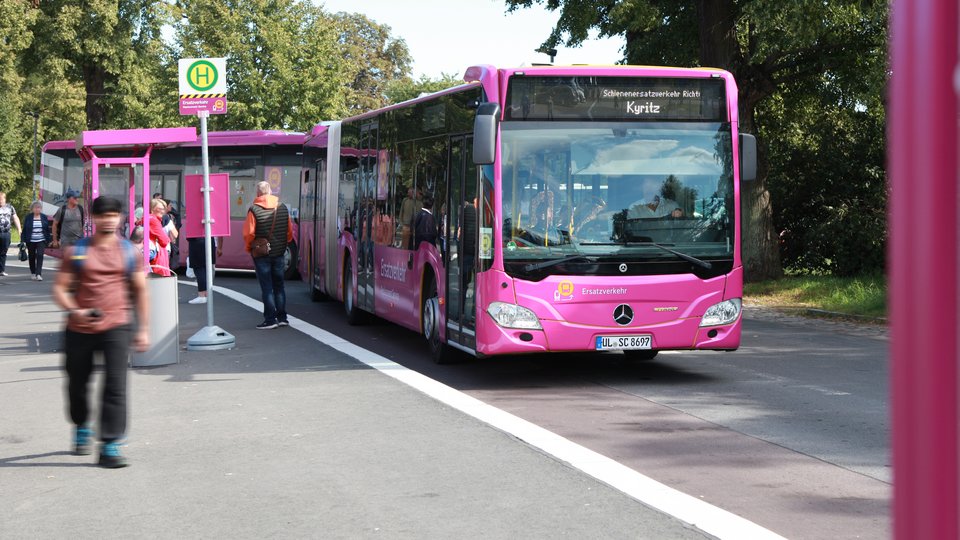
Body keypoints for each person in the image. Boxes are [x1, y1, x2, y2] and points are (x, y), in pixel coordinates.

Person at [51, 196, 149, 468]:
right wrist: (76, 310)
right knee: (77, 384)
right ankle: (82, 425)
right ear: (93, 218)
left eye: (113, 214)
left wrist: (143, 329)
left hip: (117, 326)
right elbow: (60, 288)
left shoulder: (131, 252)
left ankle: (110, 445)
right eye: (103, 215)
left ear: (120, 218)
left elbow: (140, 291)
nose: (108, 219)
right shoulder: (78, 251)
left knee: (115, 386)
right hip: (79, 327)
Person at [243, 181, 293, 329]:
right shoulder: (282, 208)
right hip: (279, 253)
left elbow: (249, 234)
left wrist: (249, 248)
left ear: (258, 193)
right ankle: (283, 317)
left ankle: (270, 320)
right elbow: (289, 232)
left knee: (267, 287)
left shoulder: (254, 210)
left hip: (261, 254)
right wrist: (283, 244)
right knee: (279, 286)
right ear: (270, 191)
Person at [186, 235, 222, 304]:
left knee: (198, 268)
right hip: (209, 240)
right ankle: (207, 294)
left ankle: (202, 295)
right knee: (206, 268)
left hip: (197, 240)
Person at [23, 201, 52, 281]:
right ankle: (33, 272)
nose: (37, 209)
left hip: (41, 240)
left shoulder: (44, 217)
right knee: (32, 256)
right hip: (31, 240)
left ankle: (38, 274)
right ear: (32, 209)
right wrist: (23, 241)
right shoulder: (28, 217)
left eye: (39, 207)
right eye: (35, 207)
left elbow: (47, 230)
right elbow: (24, 230)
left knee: (40, 255)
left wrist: (49, 240)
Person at [147, 198, 171, 276]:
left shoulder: (147, 218)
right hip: (155, 253)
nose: (163, 211)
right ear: (152, 209)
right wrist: (167, 239)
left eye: (164, 208)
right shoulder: (153, 220)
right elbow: (164, 241)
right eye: (160, 208)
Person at [0, 192, 22, 277]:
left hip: (6, 233)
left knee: (3, 252)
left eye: (1, 199)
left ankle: (1, 270)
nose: (0, 201)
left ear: (4, 199)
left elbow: (15, 218)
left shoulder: (10, 207)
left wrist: (19, 229)